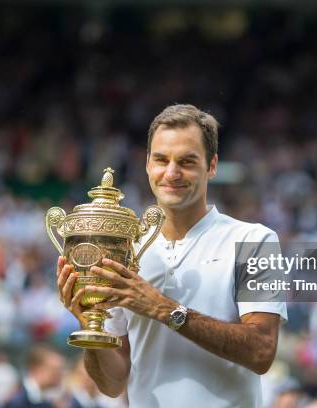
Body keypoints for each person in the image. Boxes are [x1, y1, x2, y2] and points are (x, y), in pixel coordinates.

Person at [57, 104, 287, 408]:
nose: (172, 173)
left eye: (187, 161)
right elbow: (112, 383)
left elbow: (261, 352)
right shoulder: (123, 248)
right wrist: (90, 326)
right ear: (148, 165)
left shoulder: (255, 240)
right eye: (161, 159)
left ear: (212, 165)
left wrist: (165, 309)